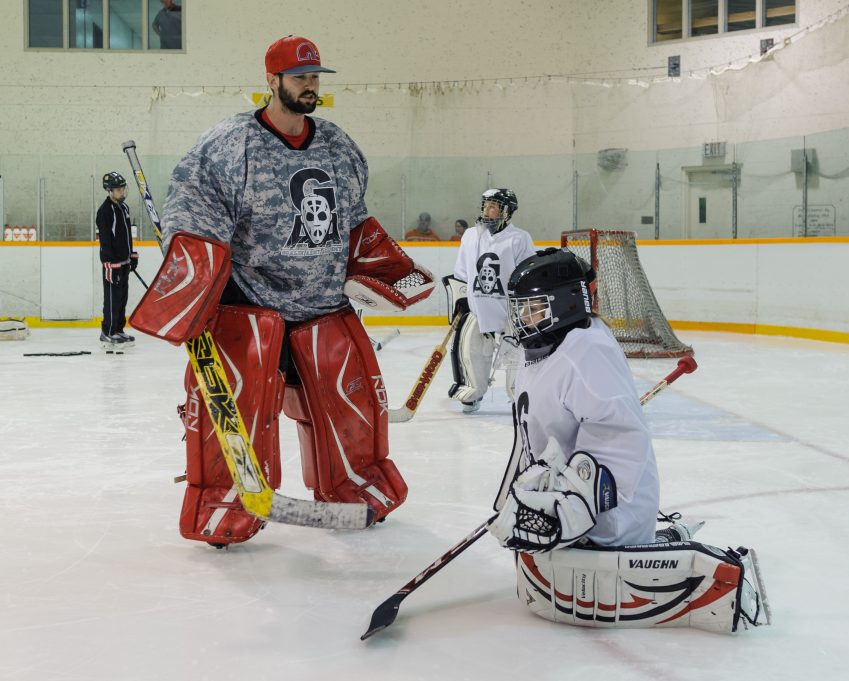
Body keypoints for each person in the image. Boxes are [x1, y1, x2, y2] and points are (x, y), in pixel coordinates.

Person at [129, 35, 435, 547]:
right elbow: (193, 215)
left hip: (324, 305)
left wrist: (381, 263)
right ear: (272, 81)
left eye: (315, 77)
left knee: (349, 400)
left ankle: (355, 484)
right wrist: (196, 287)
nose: (311, 86)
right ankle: (225, 500)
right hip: (252, 306)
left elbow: (353, 217)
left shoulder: (337, 144)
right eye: (300, 78)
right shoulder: (229, 145)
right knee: (238, 412)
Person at [487, 248, 767, 633]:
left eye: (533, 308)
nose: (522, 319)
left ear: (566, 303)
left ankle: (668, 551)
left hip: (606, 516)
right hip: (570, 497)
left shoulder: (585, 354)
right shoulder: (551, 348)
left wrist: (566, 508)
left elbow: (616, 451)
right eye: (519, 309)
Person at [445, 188, 534, 413]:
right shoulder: (471, 235)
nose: (487, 210)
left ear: (507, 211)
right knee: (472, 350)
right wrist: (462, 300)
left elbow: (527, 276)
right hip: (478, 307)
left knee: (517, 354)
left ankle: (520, 392)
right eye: (485, 205)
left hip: (509, 311)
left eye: (493, 206)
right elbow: (462, 274)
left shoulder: (519, 238)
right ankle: (473, 390)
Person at [95, 171, 137, 346]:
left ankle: (119, 329)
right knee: (112, 297)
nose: (122, 192)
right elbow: (105, 240)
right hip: (113, 264)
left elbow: (126, 235)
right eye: (118, 189)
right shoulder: (105, 211)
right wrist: (111, 262)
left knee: (122, 297)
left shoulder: (124, 207)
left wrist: (132, 254)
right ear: (109, 191)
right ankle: (108, 331)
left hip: (124, 261)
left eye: (123, 188)